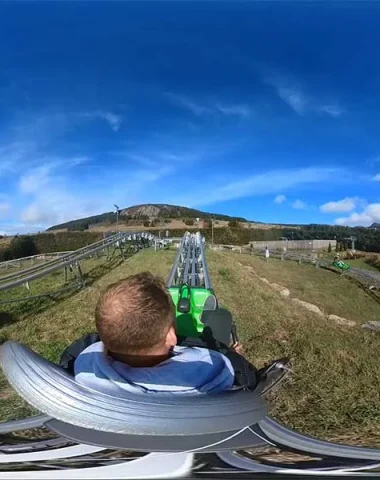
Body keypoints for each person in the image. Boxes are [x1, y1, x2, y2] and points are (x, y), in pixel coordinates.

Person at [74, 272, 252, 396]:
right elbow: (249, 380)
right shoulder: (216, 372)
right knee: (221, 317)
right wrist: (232, 356)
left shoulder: (82, 366)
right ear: (171, 337)